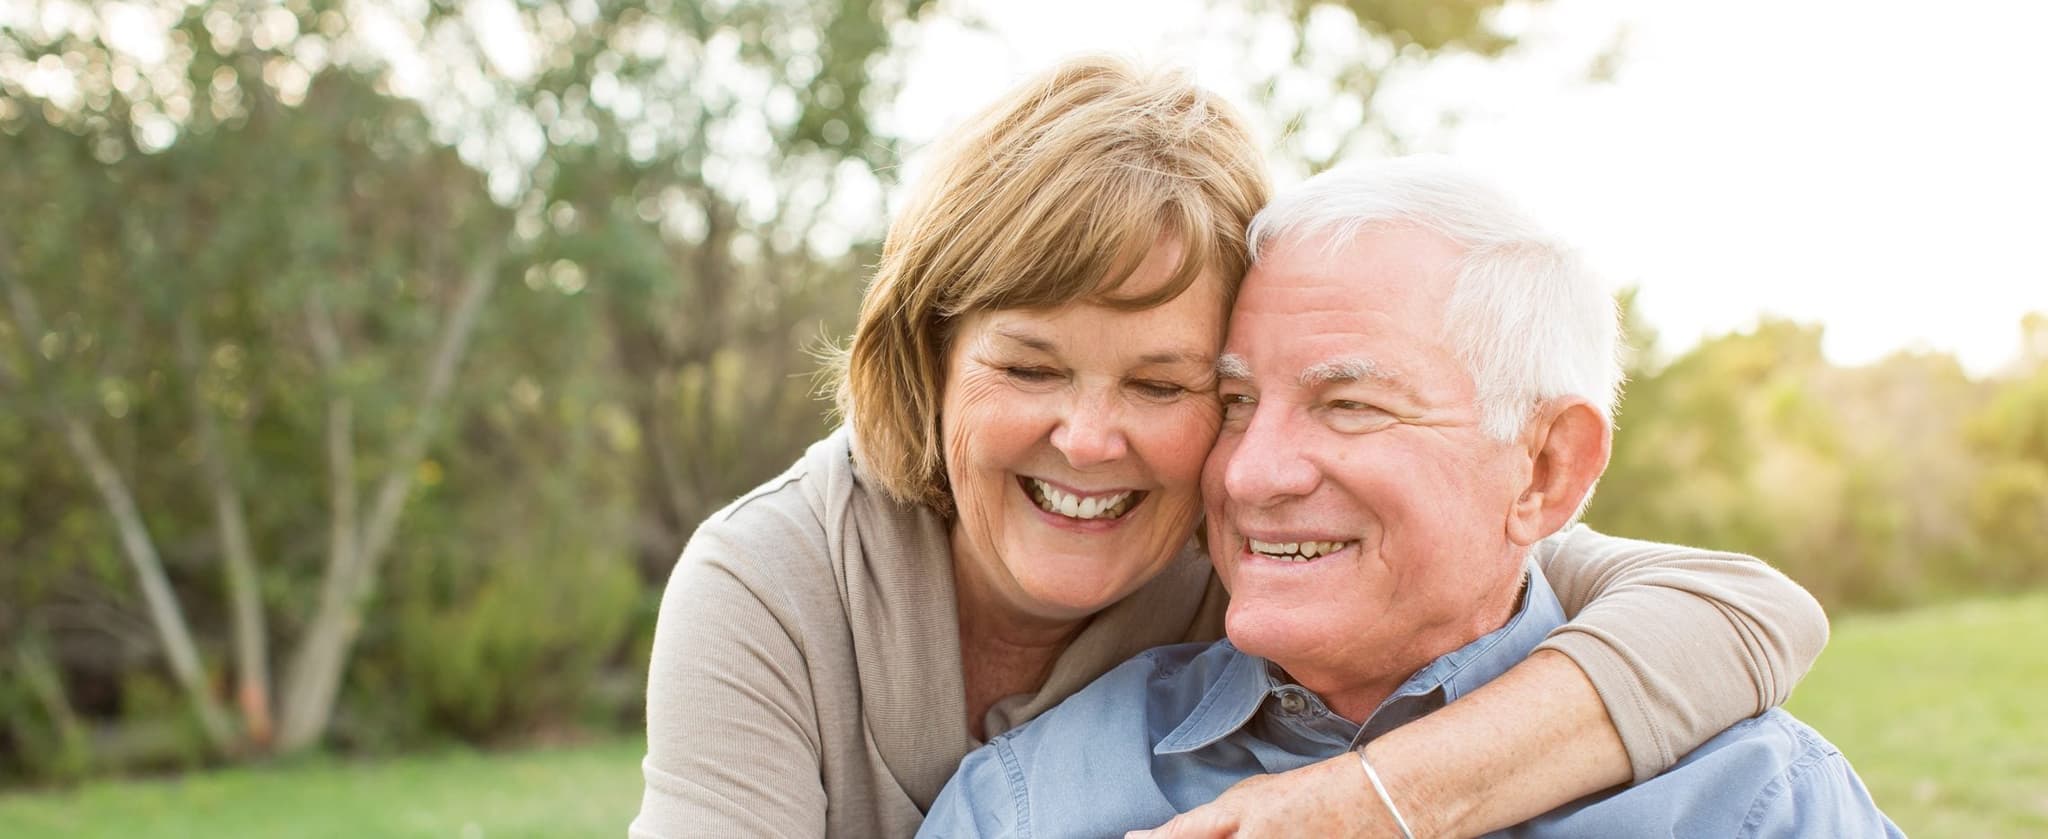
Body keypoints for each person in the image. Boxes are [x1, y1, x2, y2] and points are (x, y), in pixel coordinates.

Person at [631, 57, 1831, 839]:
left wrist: (1365, 804)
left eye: (1167, 382)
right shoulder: (777, 584)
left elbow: (1737, 609)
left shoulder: (1262, 542)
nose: (1091, 436)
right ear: (929, 355)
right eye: (1027, 364)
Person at [919, 156, 1900, 838]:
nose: (1251, 471)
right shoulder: (1030, 798)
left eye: (1347, 404)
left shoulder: (1751, 802)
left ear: (1545, 469)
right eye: (1233, 400)